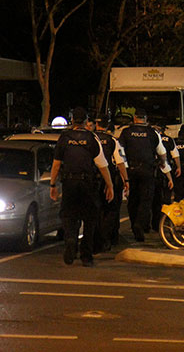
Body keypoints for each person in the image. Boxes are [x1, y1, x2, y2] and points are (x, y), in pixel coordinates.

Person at [49, 107, 114, 267]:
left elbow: (56, 164)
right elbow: (102, 165)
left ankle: (71, 240)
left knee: (69, 216)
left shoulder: (64, 138)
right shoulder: (92, 138)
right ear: (86, 122)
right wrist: (110, 185)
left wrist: (52, 184)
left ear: (72, 121)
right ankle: (86, 256)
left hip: (69, 183)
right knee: (90, 219)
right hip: (87, 184)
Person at [118, 108, 173, 242]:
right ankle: (139, 225)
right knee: (146, 200)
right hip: (147, 170)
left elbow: (120, 151)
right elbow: (162, 152)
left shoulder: (126, 132)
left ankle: (133, 225)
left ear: (135, 118)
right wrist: (162, 162)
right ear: (146, 119)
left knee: (133, 200)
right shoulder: (153, 132)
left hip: (130, 169)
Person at [92, 114, 129, 252]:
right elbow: (120, 163)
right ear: (108, 126)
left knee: (95, 211)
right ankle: (105, 240)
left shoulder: (92, 139)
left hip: (92, 180)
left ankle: (93, 242)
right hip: (108, 180)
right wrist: (126, 180)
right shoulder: (113, 141)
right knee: (110, 210)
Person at [151, 120, 180, 231]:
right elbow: (174, 156)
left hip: (151, 172)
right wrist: (176, 170)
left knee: (153, 201)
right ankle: (165, 221)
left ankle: (153, 224)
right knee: (165, 199)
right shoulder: (169, 140)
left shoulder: (150, 139)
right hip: (162, 172)